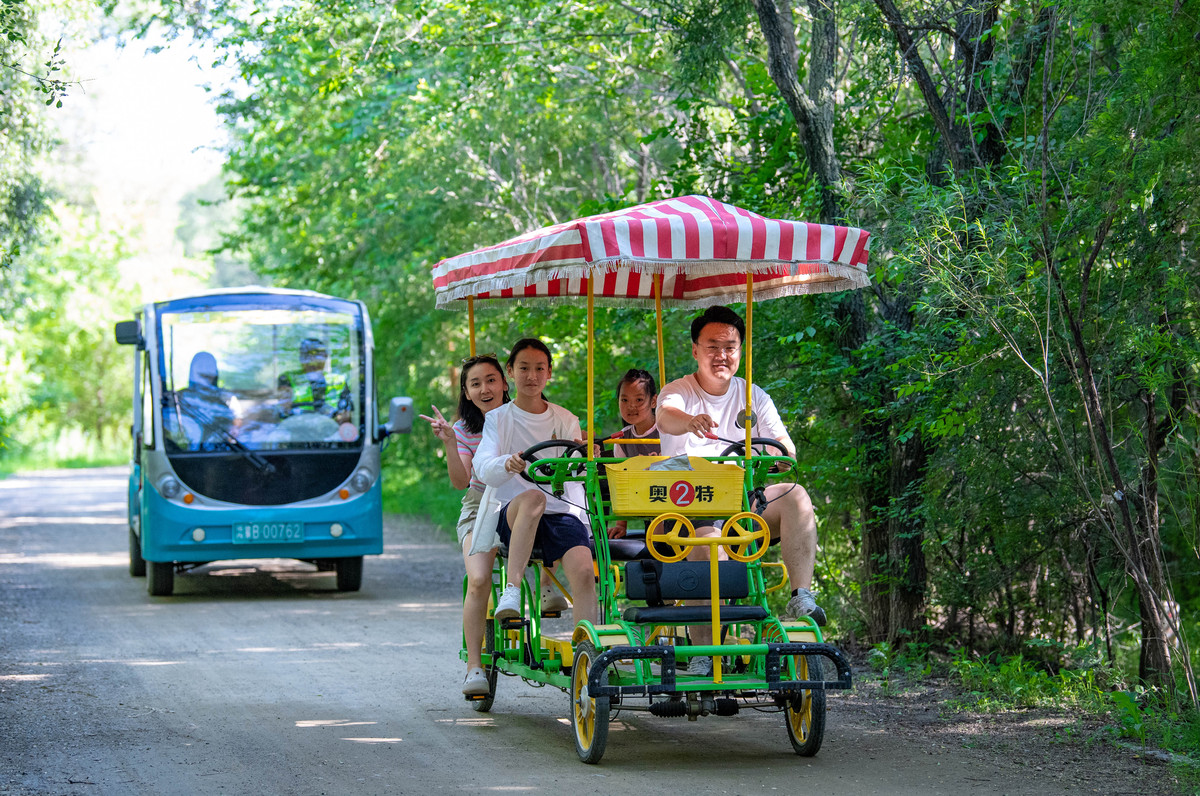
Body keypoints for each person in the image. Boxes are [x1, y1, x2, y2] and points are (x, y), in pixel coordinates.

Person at [656, 305, 819, 674]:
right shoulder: (678, 391)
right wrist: (690, 422)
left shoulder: (753, 396)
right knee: (710, 544)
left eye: (730, 347)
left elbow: (785, 446)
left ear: (740, 350)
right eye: (713, 346)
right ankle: (702, 650)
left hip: (743, 502)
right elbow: (665, 415)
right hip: (692, 504)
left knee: (796, 495)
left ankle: (800, 596)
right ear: (695, 349)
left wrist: (779, 455)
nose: (722, 355)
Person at [470, 339, 598, 627]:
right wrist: (507, 463)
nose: (532, 376)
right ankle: (512, 590)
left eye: (539, 368)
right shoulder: (497, 419)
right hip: (515, 513)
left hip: (560, 514)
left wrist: (587, 456)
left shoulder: (566, 418)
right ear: (511, 373)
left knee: (584, 573)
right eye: (524, 368)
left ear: (549, 372)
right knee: (533, 498)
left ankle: (587, 653)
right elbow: (482, 465)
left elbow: (577, 474)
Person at [419, 354, 511, 696]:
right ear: (467, 392)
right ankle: (475, 666)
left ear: (505, 383)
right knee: (479, 579)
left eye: (491, 380)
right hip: (480, 507)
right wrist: (449, 443)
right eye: (475, 383)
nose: (485, 388)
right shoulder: (463, 430)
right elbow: (461, 482)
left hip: (521, 504)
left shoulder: (524, 419)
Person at [607, 369, 660, 540]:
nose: (631, 406)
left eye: (639, 400)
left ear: (653, 401)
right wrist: (621, 525)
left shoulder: (667, 430)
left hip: (675, 501)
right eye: (624, 400)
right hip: (648, 507)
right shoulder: (622, 439)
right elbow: (621, 482)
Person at [278, 337, 351, 422]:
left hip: (330, 431)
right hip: (296, 430)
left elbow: (346, 415)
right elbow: (284, 409)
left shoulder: (339, 380)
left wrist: (336, 417)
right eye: (307, 356)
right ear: (301, 358)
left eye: (317, 356)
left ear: (325, 357)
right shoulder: (287, 379)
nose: (312, 361)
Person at [173, 351, 236, 450]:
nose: (207, 378)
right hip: (187, 455)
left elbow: (232, 430)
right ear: (193, 372)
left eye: (209, 374)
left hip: (219, 454)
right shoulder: (179, 398)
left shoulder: (223, 401)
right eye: (203, 374)